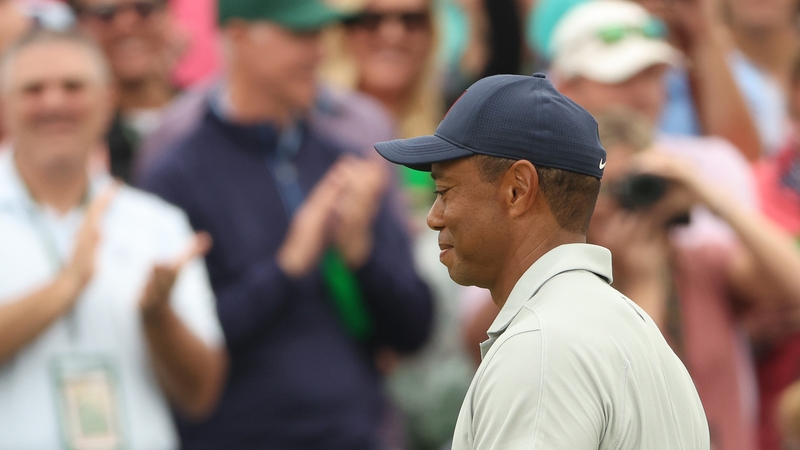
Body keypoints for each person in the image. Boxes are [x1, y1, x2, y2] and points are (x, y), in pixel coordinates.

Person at [136, 0, 434, 448]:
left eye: (318, 36)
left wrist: (361, 256)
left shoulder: (340, 161)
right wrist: (288, 267)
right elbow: (178, 350)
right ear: (237, 36)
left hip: (356, 433)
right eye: (299, 36)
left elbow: (414, 330)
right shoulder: (176, 174)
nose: (318, 53)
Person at [375, 73, 709, 448]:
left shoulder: (542, 347)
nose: (434, 216)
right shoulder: (639, 334)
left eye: (445, 190)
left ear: (518, 189)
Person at [0, 29, 226, 449]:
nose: (53, 103)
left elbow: (200, 395)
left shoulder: (156, 223)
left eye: (73, 86)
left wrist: (159, 317)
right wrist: (67, 285)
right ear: (4, 104)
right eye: (33, 89)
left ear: (108, 100)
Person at [587, 109, 800, 450]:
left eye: (639, 186)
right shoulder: (577, 291)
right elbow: (635, 392)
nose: (626, 204)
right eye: (611, 189)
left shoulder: (700, 263)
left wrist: (707, 194)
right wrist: (644, 282)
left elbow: (795, 283)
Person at [551, 0, 758, 246]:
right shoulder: (541, 181)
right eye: (621, 77)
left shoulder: (715, 162)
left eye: (653, 75)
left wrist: (707, 197)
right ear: (565, 87)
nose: (644, 95)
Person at [68, 0, 183, 182]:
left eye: (144, 9)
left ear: (168, 15)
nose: (126, 25)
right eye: (105, 14)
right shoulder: (70, 132)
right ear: (78, 25)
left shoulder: (207, 115)